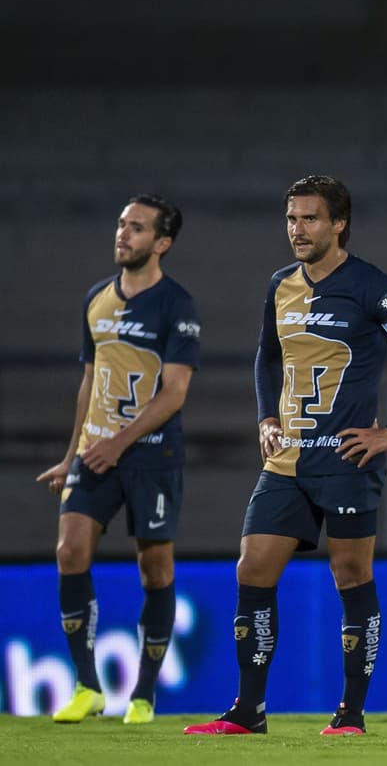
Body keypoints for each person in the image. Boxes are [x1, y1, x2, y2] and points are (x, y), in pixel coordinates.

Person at [183, 175, 387, 737]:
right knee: (252, 569)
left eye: (309, 219)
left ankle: (350, 713)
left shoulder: (376, 288)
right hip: (287, 462)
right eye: (290, 219)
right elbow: (266, 357)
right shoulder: (279, 284)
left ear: (338, 224)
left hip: (347, 461)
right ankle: (248, 711)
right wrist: (265, 417)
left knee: (351, 575)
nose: (297, 230)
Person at [37, 195, 200, 725]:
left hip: (151, 456)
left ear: (163, 243)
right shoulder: (96, 300)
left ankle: (143, 694)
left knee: (154, 570)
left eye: (137, 227)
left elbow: (174, 393)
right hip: (96, 453)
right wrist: (72, 454)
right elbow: (91, 381)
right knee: (69, 550)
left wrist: (119, 442)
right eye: (121, 225)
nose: (123, 234)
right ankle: (87, 686)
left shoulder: (178, 306)